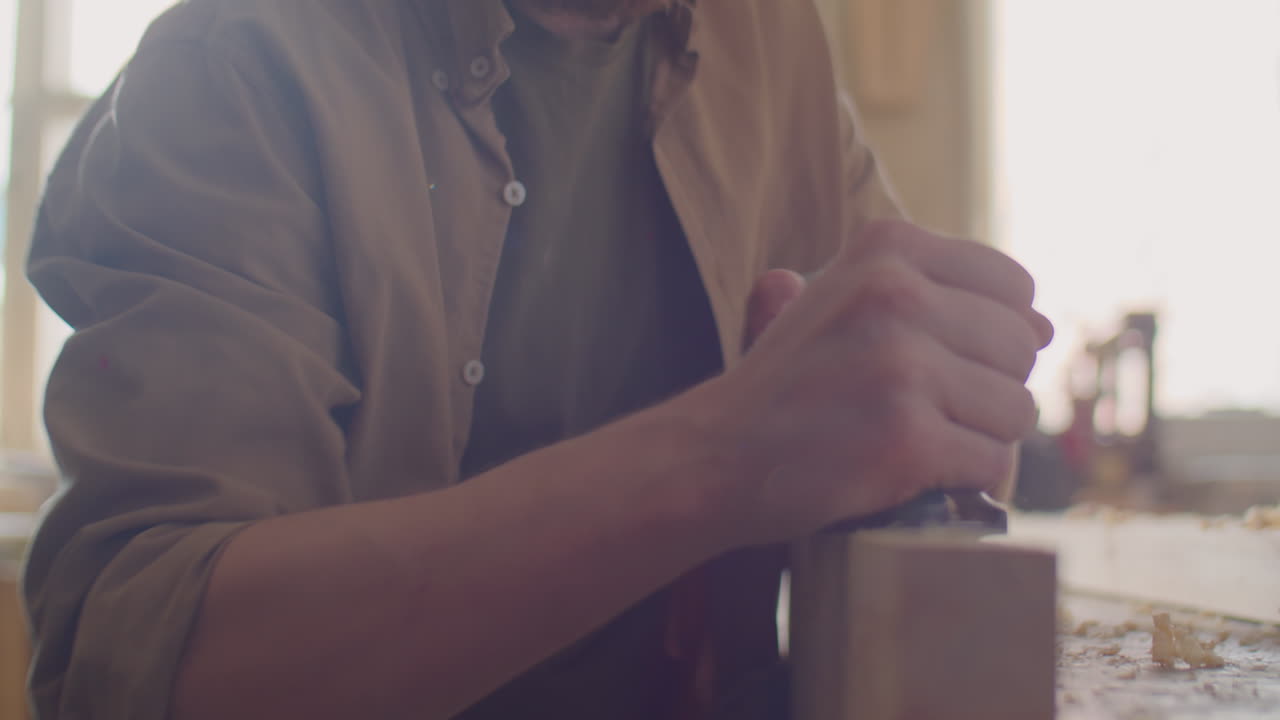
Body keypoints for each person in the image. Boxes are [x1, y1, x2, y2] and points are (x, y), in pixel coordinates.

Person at [22, 0, 1054, 718]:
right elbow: (146, 662)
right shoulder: (236, 66)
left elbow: (924, 421)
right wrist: (722, 458)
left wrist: (933, 414)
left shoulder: (771, 37)